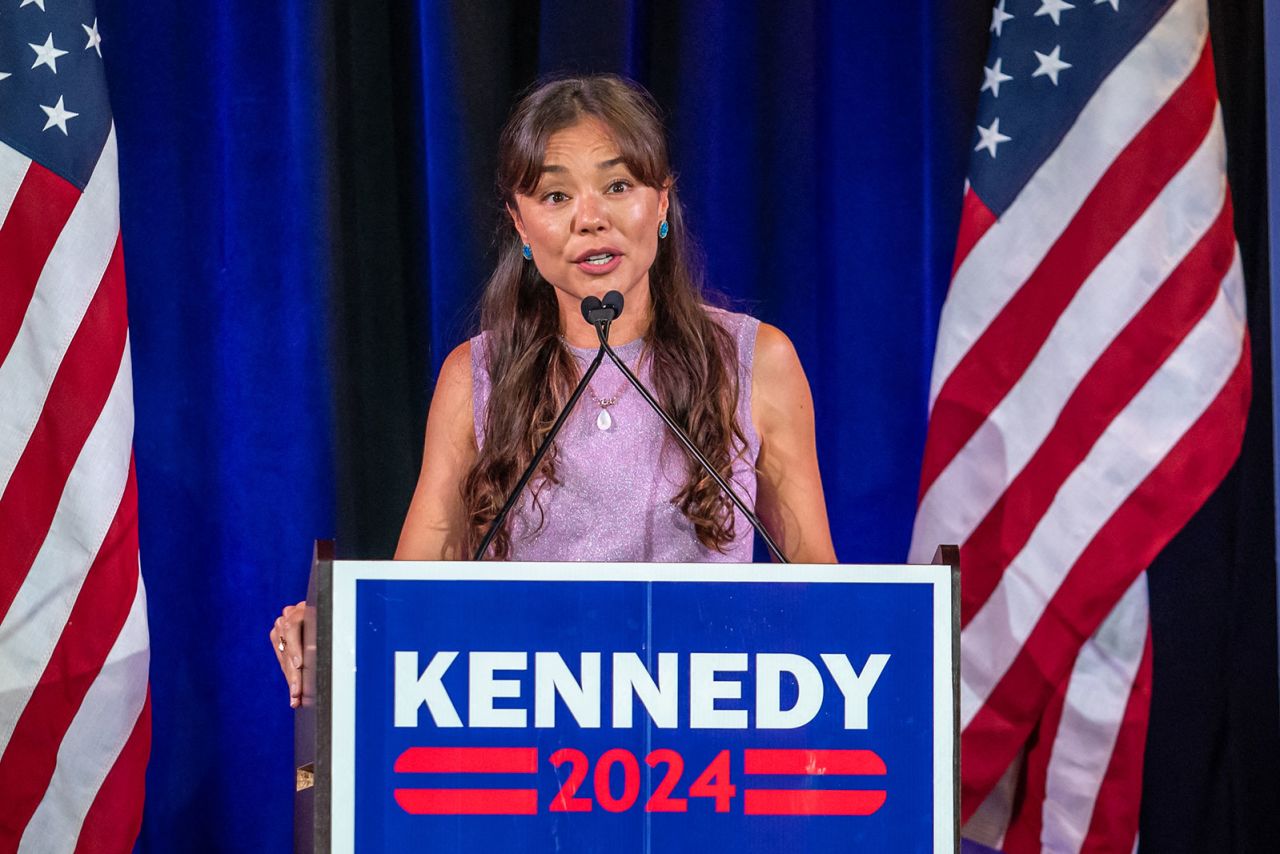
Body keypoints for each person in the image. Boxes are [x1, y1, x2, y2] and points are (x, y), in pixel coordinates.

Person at [270, 74, 835, 707]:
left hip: (708, 735)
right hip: (528, 737)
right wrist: (335, 631)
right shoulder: (477, 376)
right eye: (555, 195)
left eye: (618, 186)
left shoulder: (754, 362)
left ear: (661, 202)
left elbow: (816, 588)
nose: (590, 219)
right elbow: (416, 596)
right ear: (519, 223)